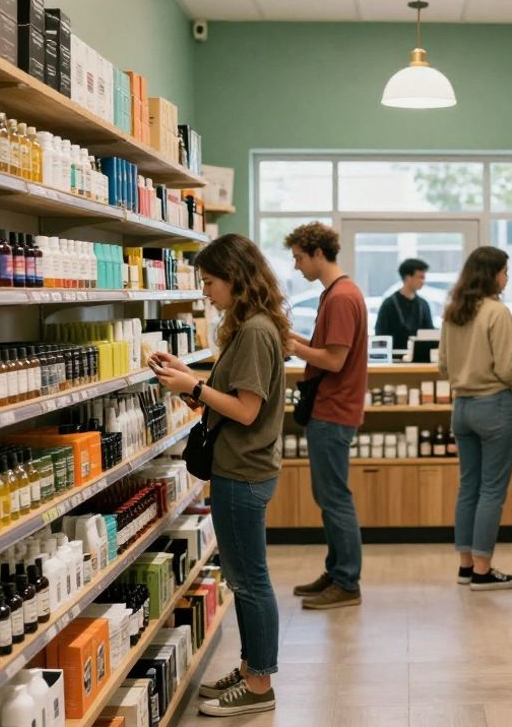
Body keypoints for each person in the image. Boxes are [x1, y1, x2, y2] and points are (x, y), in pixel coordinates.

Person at [148, 234, 288, 717]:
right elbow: (227, 401)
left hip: (242, 472)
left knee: (250, 581)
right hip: (243, 467)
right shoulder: (255, 325)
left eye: (210, 281)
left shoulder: (254, 331)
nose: (206, 291)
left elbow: (246, 411)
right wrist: (187, 380)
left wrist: (193, 386)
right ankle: (252, 666)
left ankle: (259, 684)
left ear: (235, 278)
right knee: (244, 578)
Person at [439, 247, 512, 590]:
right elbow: (506, 368)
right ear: (492, 275)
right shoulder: (497, 312)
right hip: (492, 406)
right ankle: (484, 571)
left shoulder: (453, 311)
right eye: (505, 271)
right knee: (491, 489)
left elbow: (443, 366)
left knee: (468, 486)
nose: (507, 278)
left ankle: (466, 566)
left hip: (462, 408)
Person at [283, 221, 368, 610]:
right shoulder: (336, 294)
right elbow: (329, 348)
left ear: (318, 253)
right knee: (328, 494)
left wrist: (295, 348)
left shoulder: (340, 298)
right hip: (329, 409)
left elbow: (334, 359)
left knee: (334, 498)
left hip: (333, 411)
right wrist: (298, 341)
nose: (297, 266)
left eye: (300, 257)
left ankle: (347, 581)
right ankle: (336, 571)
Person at [374, 257, 435, 353]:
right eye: (420, 277)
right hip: (394, 358)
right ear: (408, 278)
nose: (422, 281)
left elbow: (430, 333)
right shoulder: (389, 304)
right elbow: (380, 334)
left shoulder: (423, 305)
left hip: (419, 358)